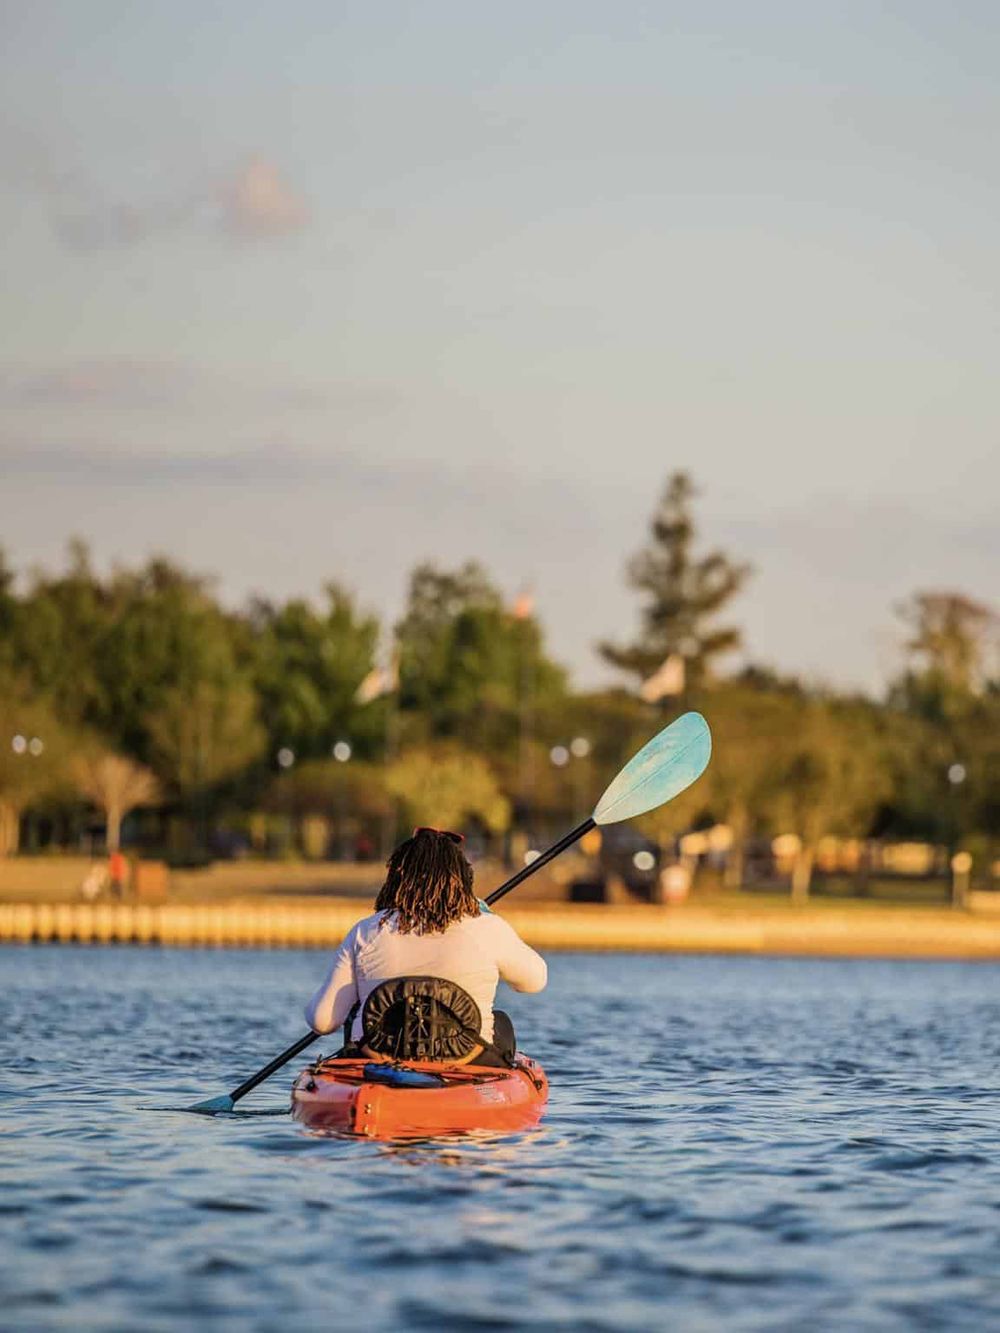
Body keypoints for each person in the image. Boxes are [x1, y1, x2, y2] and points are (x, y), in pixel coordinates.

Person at [304, 827, 547, 1066]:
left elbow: (322, 1022)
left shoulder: (365, 931)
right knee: (501, 1023)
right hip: (466, 1058)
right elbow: (535, 981)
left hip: (379, 1057)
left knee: (355, 1014)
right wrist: (486, 915)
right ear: (463, 880)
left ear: (396, 879)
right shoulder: (488, 927)